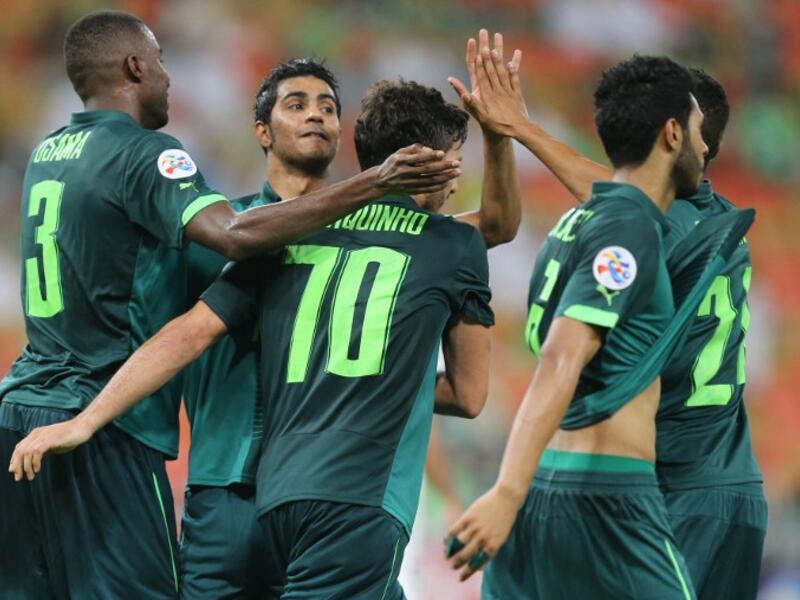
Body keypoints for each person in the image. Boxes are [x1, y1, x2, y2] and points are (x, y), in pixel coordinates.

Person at [0, 10, 458, 599]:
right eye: (161, 63)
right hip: (108, 422)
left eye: (326, 106)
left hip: (24, 406)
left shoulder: (48, 153)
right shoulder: (149, 157)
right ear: (136, 67)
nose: (168, 77)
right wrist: (373, 182)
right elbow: (236, 237)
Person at [178, 54, 520, 598]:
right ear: (261, 131)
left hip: (311, 486)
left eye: (329, 106)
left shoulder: (403, 238)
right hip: (229, 491)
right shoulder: (220, 233)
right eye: (297, 104)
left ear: (345, 133)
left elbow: (494, 226)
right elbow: (182, 335)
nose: (316, 115)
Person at [481, 59, 767, 599]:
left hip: (691, 485)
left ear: (680, 136)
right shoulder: (703, 222)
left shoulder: (660, 224)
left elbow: (623, 197)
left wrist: (523, 130)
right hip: (694, 478)